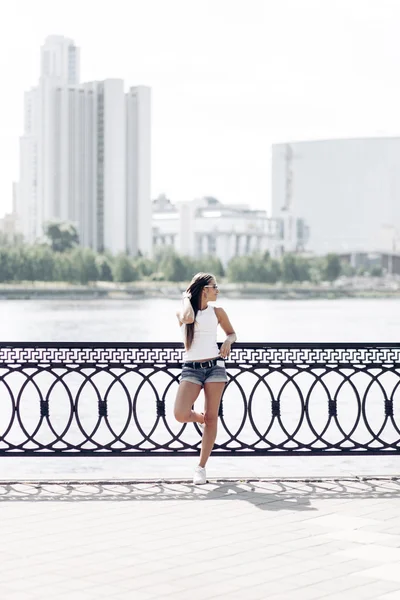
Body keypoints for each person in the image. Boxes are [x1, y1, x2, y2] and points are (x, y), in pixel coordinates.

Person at [174, 272, 237, 484]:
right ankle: (203, 419)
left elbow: (232, 333)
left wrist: (228, 342)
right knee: (180, 414)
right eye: (214, 286)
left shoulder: (218, 312)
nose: (217, 290)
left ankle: (201, 467)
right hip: (191, 368)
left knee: (213, 417)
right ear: (204, 289)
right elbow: (189, 318)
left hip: (215, 368)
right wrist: (186, 296)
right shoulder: (183, 311)